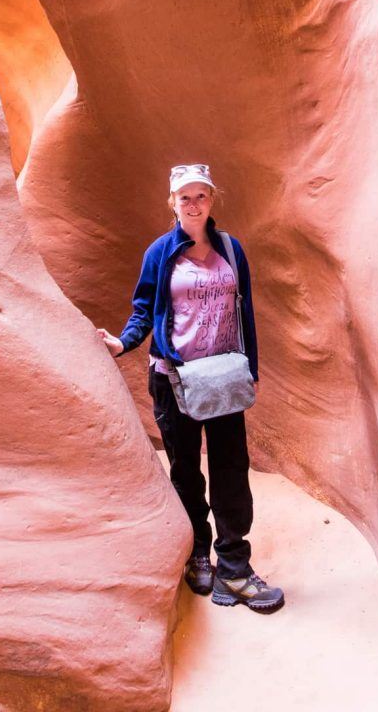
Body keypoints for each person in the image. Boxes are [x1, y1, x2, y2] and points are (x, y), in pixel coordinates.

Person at [97, 163, 284, 613]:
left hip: (221, 377)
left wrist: (250, 367)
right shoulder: (161, 253)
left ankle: (234, 569)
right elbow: (144, 308)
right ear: (173, 203)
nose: (194, 204)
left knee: (231, 470)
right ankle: (199, 553)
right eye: (185, 197)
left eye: (201, 195)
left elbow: (246, 313)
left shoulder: (231, 250)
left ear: (212, 200)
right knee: (185, 471)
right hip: (173, 377)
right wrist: (124, 342)